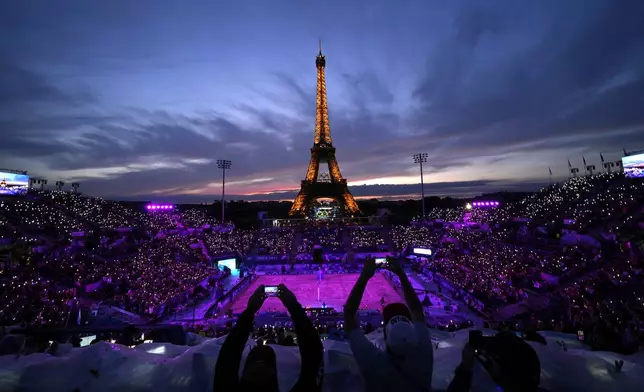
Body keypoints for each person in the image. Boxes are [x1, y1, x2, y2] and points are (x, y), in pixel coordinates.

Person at [344, 257, 433, 392]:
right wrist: (401, 273)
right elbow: (416, 309)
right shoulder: (424, 357)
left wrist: (364, 276)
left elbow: (349, 314)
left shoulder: (374, 362)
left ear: (386, 333)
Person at [213, 284, 324, 392]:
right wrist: (293, 305)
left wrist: (250, 310)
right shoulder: (224, 385)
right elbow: (313, 351)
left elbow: (228, 353)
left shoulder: (224, 386)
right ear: (277, 375)